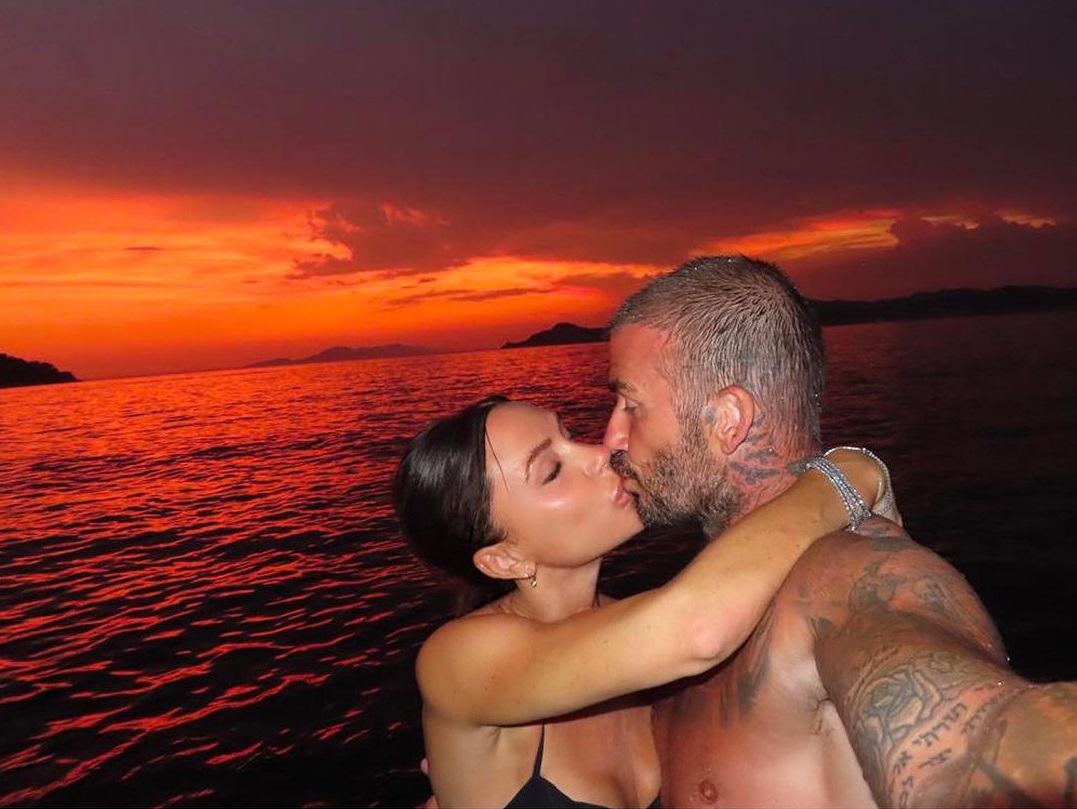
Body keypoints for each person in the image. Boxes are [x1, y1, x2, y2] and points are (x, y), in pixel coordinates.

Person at [603, 254, 1077, 808]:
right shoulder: (689, 604)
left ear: (726, 420)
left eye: (630, 405)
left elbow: (980, 747)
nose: (611, 436)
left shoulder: (850, 575)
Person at [394, 393, 897, 809]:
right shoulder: (457, 660)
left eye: (570, 434)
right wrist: (843, 479)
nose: (600, 453)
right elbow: (696, 629)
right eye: (552, 470)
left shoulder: (641, 641)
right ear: (504, 560)